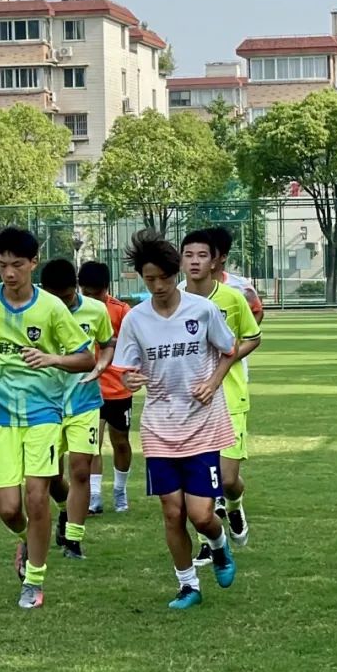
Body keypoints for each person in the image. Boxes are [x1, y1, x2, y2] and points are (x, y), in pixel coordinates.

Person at [0, 227, 94, 610]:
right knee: (9, 509)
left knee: (37, 499)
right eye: (2, 265)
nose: (9, 273)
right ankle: (26, 540)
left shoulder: (51, 308)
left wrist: (52, 358)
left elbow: (85, 358)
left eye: (17, 265)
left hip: (43, 415)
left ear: (33, 263)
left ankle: (34, 581)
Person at [112, 230, 238, 609]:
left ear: (175, 272)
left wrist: (213, 382)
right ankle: (188, 586)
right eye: (150, 279)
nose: (158, 285)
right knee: (171, 511)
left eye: (164, 277)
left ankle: (218, 544)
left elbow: (230, 350)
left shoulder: (202, 310)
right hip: (159, 426)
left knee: (200, 515)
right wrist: (130, 379)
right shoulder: (136, 319)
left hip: (202, 422)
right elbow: (125, 369)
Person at [179, 230, 262, 559]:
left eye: (202, 255)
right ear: (181, 260)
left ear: (214, 261)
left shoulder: (232, 297)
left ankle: (236, 506)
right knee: (201, 479)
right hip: (192, 402)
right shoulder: (175, 299)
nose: (195, 261)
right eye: (189, 255)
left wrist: (227, 358)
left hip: (229, 397)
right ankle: (205, 544)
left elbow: (253, 337)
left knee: (227, 479)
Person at [40, 259, 114, 560]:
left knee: (81, 469)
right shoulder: (35, 310)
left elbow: (108, 343)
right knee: (49, 476)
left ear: (77, 289)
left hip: (84, 400)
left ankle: (73, 539)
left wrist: (101, 364)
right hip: (44, 404)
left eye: (67, 297)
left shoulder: (96, 310)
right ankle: (63, 509)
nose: (61, 304)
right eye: (55, 297)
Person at [77, 261, 134, 514]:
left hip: (118, 389)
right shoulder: (74, 311)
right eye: (87, 293)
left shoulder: (122, 311)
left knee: (120, 442)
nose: (92, 299)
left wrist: (131, 374)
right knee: (92, 444)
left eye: (97, 294)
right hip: (90, 387)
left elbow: (136, 346)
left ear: (106, 289)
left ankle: (120, 490)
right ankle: (95, 496)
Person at [207, 226, 265, 324]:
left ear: (223, 257)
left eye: (208, 253)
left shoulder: (241, 286)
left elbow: (258, 311)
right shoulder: (184, 287)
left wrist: (247, 337)